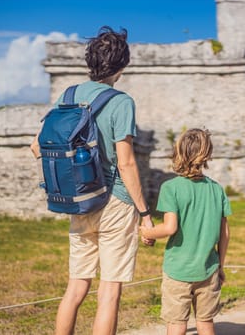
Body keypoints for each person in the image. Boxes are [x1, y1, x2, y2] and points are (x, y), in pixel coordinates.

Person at [30, 26, 154, 335]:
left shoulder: (68, 95)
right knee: (109, 292)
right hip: (116, 200)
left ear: (90, 62)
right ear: (122, 66)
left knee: (75, 288)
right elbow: (125, 162)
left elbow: (37, 146)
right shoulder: (122, 102)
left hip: (79, 200)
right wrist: (145, 213)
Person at [140, 128, 231, 335]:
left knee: (177, 324)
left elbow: (170, 227)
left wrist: (146, 232)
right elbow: (225, 233)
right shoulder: (216, 189)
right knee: (206, 323)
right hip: (209, 269)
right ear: (207, 154)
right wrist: (220, 266)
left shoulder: (171, 187)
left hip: (178, 271)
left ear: (178, 152)